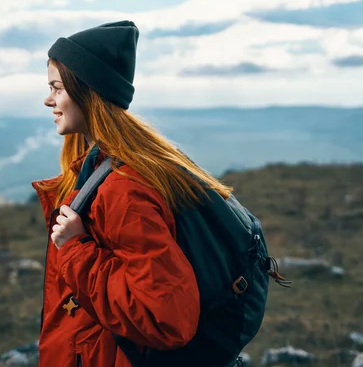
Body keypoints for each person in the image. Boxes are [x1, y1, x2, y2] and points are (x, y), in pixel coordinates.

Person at [31, 20, 234, 367]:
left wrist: (77, 251)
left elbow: (165, 319)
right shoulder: (101, 170)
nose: (48, 100)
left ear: (88, 92)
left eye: (57, 88)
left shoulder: (123, 189)